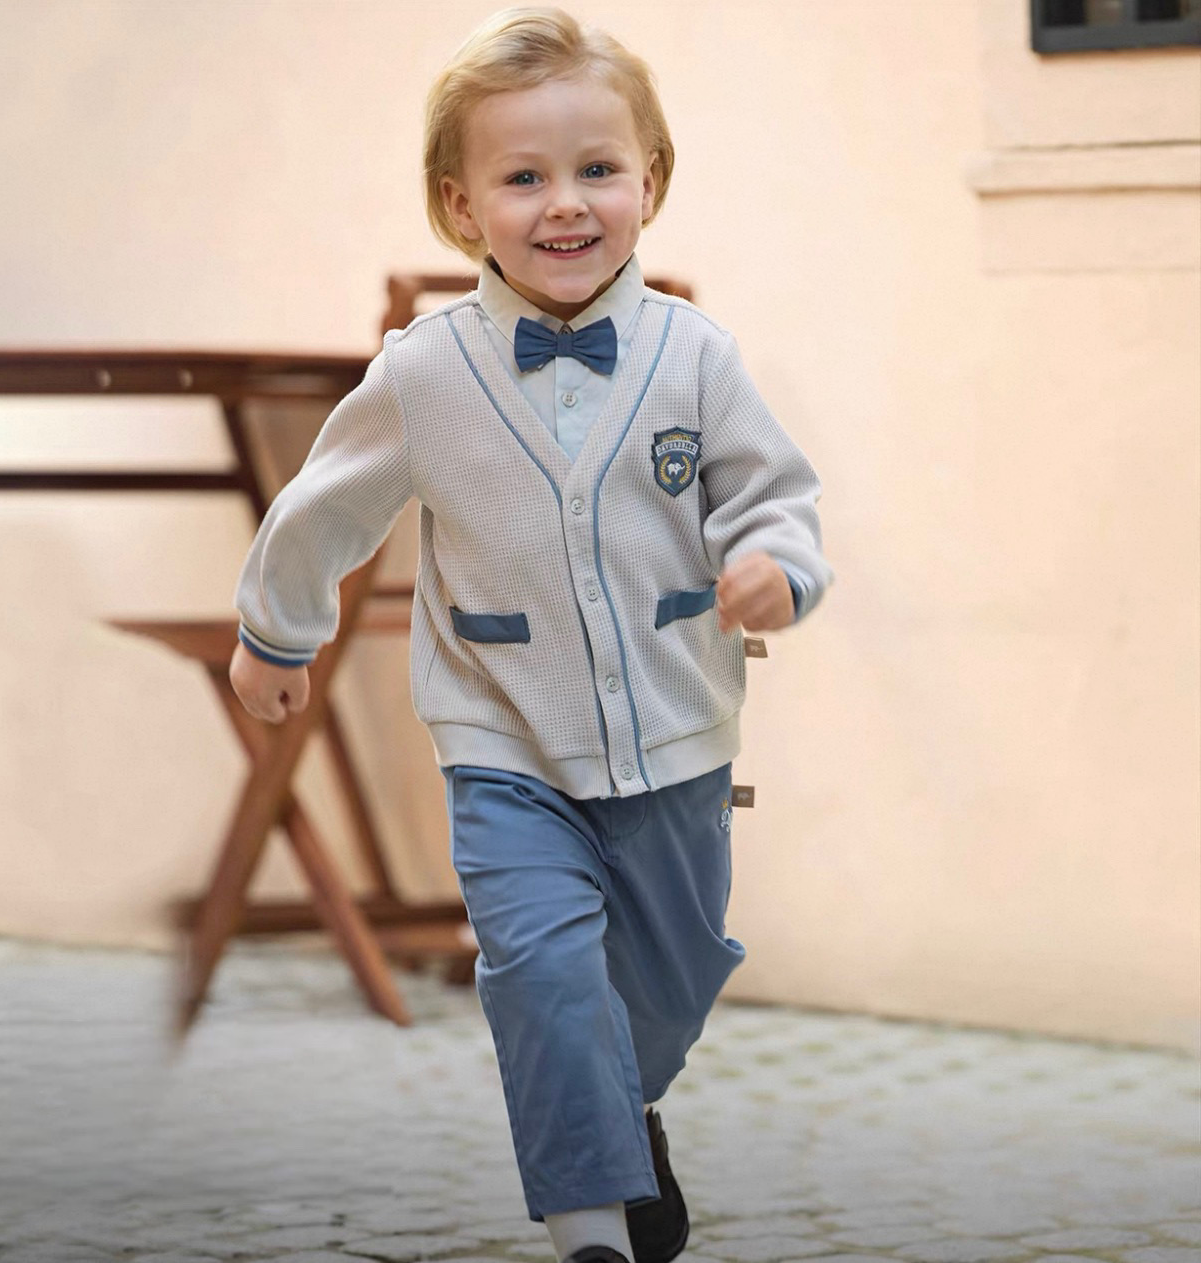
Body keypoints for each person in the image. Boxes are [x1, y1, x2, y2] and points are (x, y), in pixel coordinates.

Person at [228, 7, 833, 1261]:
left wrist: (776, 565)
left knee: (670, 981)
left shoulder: (697, 357)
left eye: (596, 168)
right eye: (523, 178)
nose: (566, 203)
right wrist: (276, 637)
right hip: (501, 732)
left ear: (649, 181)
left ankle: (625, 1108)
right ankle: (589, 1229)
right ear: (462, 207)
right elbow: (321, 510)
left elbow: (770, 492)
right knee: (543, 972)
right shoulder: (423, 375)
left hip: (675, 728)